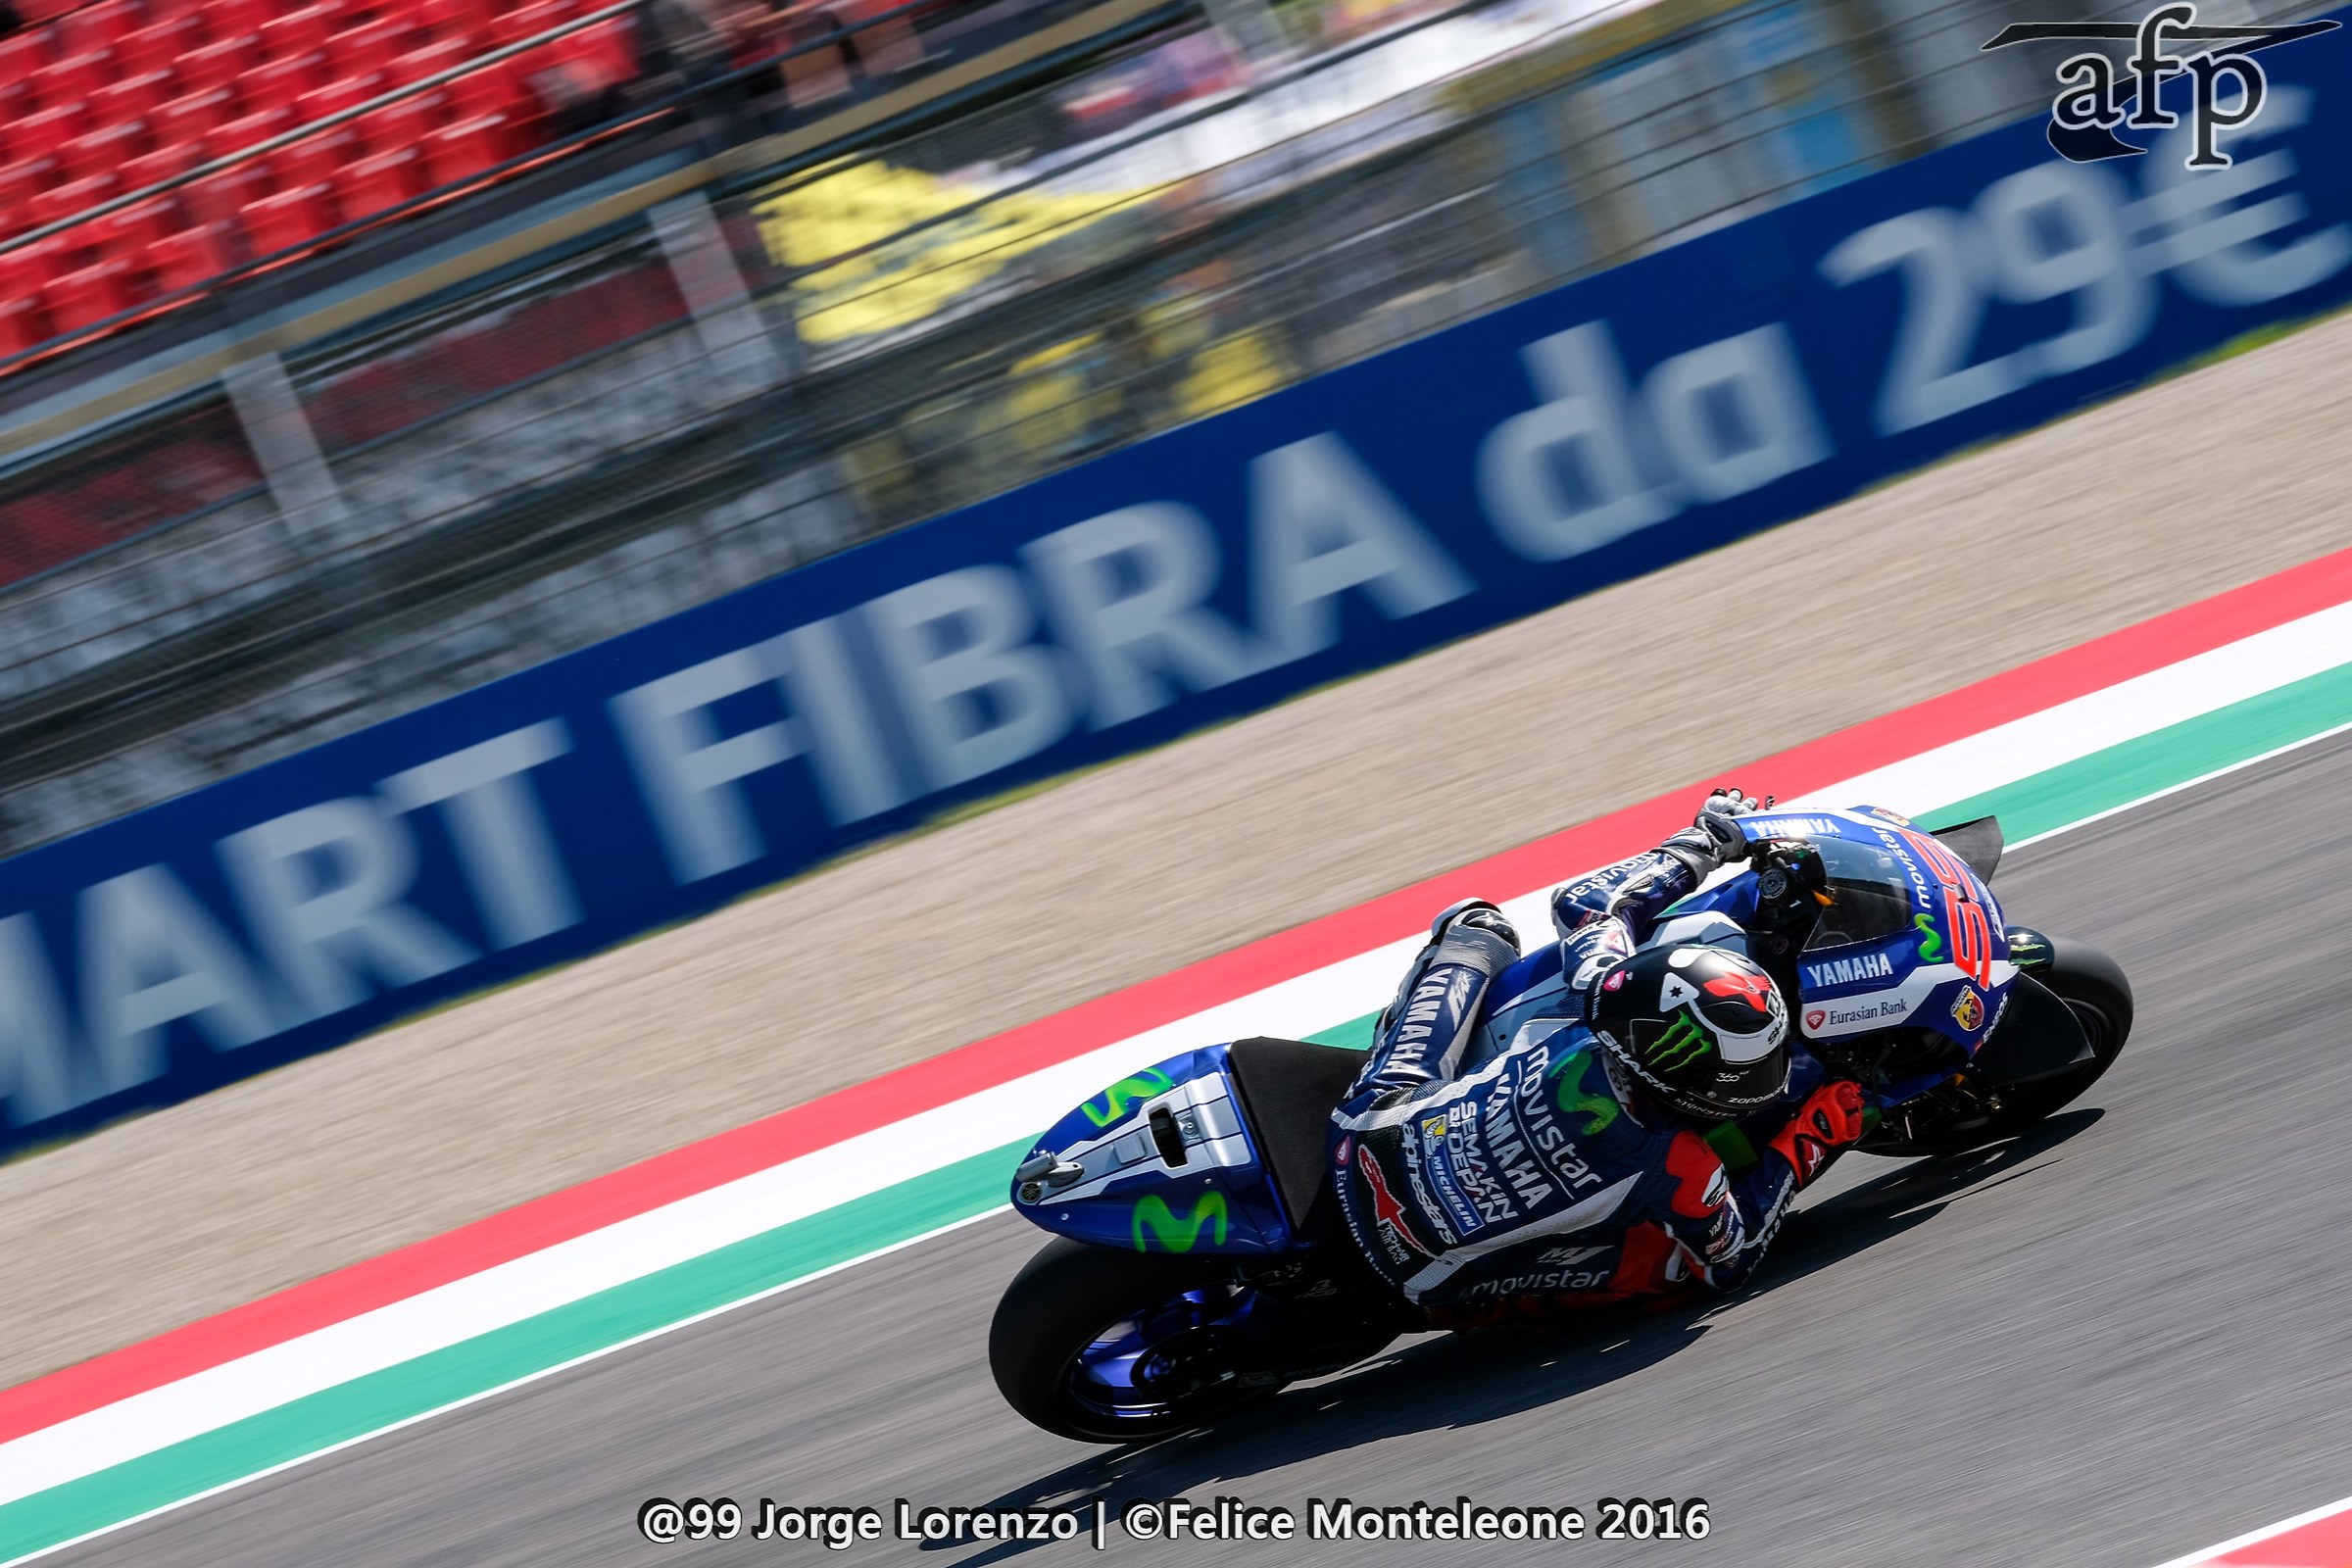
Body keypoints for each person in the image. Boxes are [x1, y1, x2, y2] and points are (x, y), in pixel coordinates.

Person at [1328, 790, 1877, 1324]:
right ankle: (1470, 1306)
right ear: (1696, 1084)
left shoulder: (1600, 986)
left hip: (1362, 1130)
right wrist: (1808, 1140)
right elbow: (1732, 1259)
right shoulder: (1684, 1164)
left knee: (1476, 928)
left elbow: (1590, 902)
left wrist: (1705, 840)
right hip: (1417, 1266)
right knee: (1675, 1270)